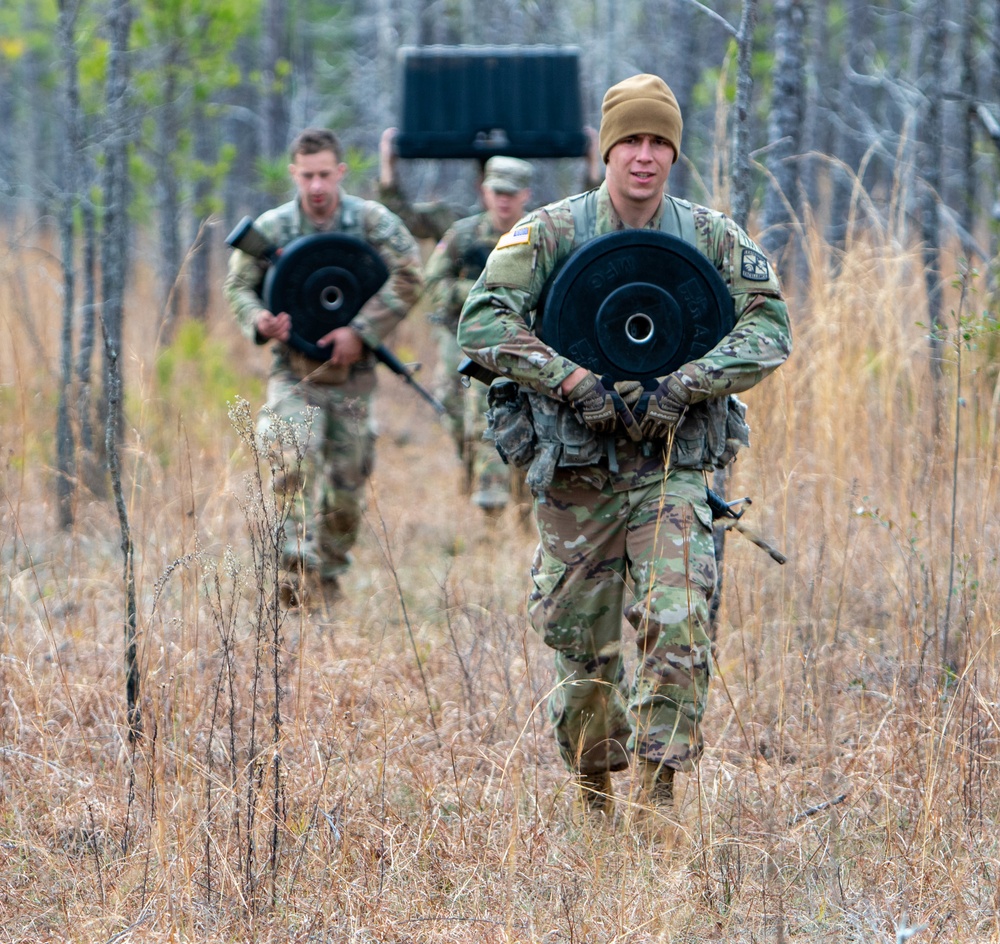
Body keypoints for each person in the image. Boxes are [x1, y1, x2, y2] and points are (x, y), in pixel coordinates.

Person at [457, 74, 792, 819]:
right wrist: (569, 379)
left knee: (678, 618)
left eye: (659, 142)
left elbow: (771, 329)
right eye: (631, 141)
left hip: (672, 468)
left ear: (674, 151)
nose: (645, 156)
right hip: (578, 473)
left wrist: (690, 382)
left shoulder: (708, 236)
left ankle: (660, 791)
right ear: (608, 149)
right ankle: (593, 787)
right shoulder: (550, 231)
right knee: (582, 646)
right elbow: (480, 321)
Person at [224, 128, 423, 608]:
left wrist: (362, 330)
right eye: (307, 176)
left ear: (340, 172)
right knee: (290, 459)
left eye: (324, 175)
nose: (316, 187)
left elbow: (411, 272)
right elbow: (238, 287)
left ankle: (328, 574)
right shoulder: (272, 229)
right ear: (294, 174)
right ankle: (293, 580)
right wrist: (260, 321)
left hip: (353, 379)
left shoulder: (370, 221)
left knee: (347, 488)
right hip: (294, 371)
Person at [422, 155, 534, 511]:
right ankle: (476, 477)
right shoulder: (464, 235)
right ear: (484, 192)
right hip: (468, 344)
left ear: (525, 195)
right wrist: (480, 292)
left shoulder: (538, 234)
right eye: (497, 192)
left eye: (511, 193)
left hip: (525, 343)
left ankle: (510, 498)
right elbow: (433, 283)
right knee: (459, 416)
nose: (503, 200)